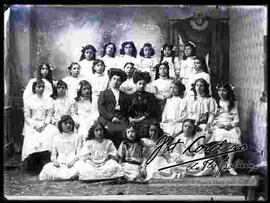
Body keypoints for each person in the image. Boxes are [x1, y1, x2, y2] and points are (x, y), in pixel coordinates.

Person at [21, 79, 55, 172]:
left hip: (44, 123)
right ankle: (33, 163)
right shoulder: (29, 100)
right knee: (32, 136)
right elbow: (27, 117)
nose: (41, 89)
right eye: (38, 87)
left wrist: (44, 125)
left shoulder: (48, 99)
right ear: (34, 88)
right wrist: (35, 126)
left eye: (42, 87)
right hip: (32, 124)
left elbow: (49, 115)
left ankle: (46, 161)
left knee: (51, 132)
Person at [209, 82, 241, 175]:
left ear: (229, 92)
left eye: (224, 90)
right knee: (220, 136)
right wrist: (216, 123)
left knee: (234, 135)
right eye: (219, 90)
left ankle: (229, 164)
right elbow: (212, 116)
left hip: (229, 124)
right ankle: (221, 162)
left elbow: (236, 118)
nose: (221, 93)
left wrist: (231, 125)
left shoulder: (233, 103)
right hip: (218, 124)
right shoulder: (215, 102)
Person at [39, 115, 83, 180]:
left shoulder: (77, 136)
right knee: (48, 168)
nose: (68, 125)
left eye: (70, 123)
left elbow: (79, 153)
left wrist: (73, 161)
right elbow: (53, 155)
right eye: (65, 123)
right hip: (60, 163)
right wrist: (55, 161)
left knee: (81, 166)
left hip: (73, 162)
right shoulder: (56, 137)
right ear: (61, 125)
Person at [97, 68, 130, 148]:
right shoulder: (104, 93)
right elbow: (101, 109)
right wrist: (111, 117)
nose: (115, 81)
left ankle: (121, 152)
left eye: (118, 80)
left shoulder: (124, 95)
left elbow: (127, 110)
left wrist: (122, 116)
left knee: (124, 130)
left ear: (121, 82)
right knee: (110, 130)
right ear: (110, 80)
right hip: (107, 118)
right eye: (114, 79)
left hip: (121, 118)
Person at [128, 71, 159, 138]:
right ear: (136, 84)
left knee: (145, 127)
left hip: (146, 118)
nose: (142, 86)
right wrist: (131, 118)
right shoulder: (131, 96)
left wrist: (139, 119)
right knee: (130, 128)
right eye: (140, 83)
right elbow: (128, 110)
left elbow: (151, 110)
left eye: (144, 84)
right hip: (134, 118)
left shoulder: (150, 96)